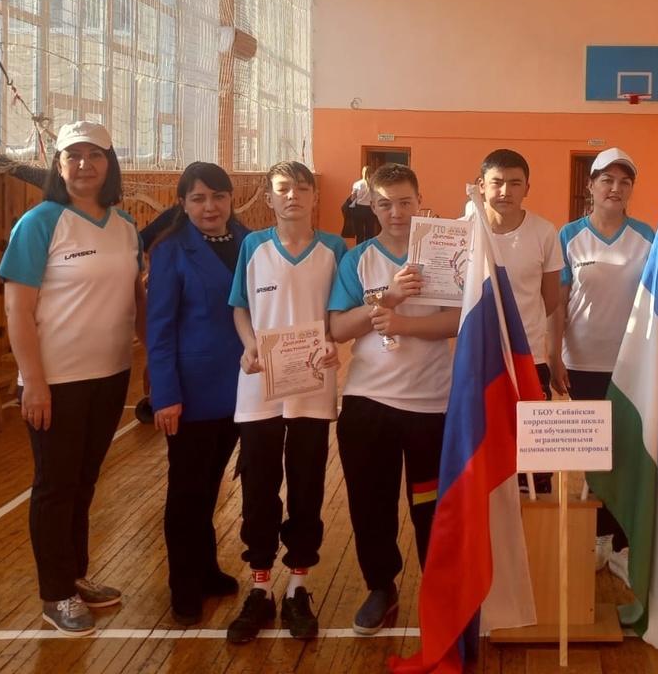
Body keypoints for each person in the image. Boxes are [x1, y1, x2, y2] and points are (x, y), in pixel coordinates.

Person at [0, 121, 145, 637]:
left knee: (84, 483)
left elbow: (135, 299)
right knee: (56, 487)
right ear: (58, 166)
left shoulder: (125, 225)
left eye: (95, 155)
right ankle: (55, 593)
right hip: (56, 381)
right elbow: (17, 309)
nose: (85, 165)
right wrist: (33, 381)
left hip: (112, 376)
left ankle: (75, 576)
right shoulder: (39, 223)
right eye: (73, 156)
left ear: (110, 164)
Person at [328, 164, 459, 635]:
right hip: (368, 403)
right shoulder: (357, 259)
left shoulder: (443, 252)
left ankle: (438, 589)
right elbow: (338, 328)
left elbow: (457, 320)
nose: (396, 212)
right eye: (385, 204)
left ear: (419, 201)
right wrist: (388, 297)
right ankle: (381, 587)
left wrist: (403, 323)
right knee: (371, 504)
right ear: (372, 206)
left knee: (430, 507)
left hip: (431, 405)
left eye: (405, 202)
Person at [226, 161, 347, 644]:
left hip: (313, 388)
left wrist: (335, 343)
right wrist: (248, 346)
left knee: (307, 486)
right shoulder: (253, 246)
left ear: (315, 195)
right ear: (269, 199)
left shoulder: (335, 249)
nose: (292, 196)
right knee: (258, 488)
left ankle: (298, 585)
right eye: (282, 189)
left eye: (301, 188)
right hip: (259, 388)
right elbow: (240, 307)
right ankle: (260, 586)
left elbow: (339, 314)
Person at [145, 162, 251, 626]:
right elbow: (159, 328)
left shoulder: (251, 242)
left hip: (243, 388)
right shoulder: (171, 250)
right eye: (199, 198)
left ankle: (206, 568)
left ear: (232, 199)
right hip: (192, 393)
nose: (210, 207)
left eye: (218, 196)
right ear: (183, 204)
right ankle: (183, 583)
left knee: (212, 485)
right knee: (187, 490)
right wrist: (165, 394)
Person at [548, 147, 653, 584]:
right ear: (590, 186)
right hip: (582, 363)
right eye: (606, 180)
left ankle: (621, 543)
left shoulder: (646, 235)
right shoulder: (569, 235)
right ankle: (599, 536)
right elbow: (558, 303)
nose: (615, 188)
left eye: (624, 182)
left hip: (631, 365)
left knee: (625, 454)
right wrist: (554, 354)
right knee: (594, 455)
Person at [476, 149, 562, 490]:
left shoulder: (544, 232)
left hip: (529, 360)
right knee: (485, 465)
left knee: (533, 472)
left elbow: (550, 299)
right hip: (479, 361)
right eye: (496, 182)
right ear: (481, 186)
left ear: (527, 188)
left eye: (515, 183)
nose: (505, 191)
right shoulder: (463, 231)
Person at [345, 166, 379, 242]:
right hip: (370, 209)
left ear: (362, 173)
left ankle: (359, 247)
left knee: (359, 232)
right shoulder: (375, 185)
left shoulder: (357, 184)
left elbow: (353, 198)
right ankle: (369, 247)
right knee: (370, 232)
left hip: (359, 209)